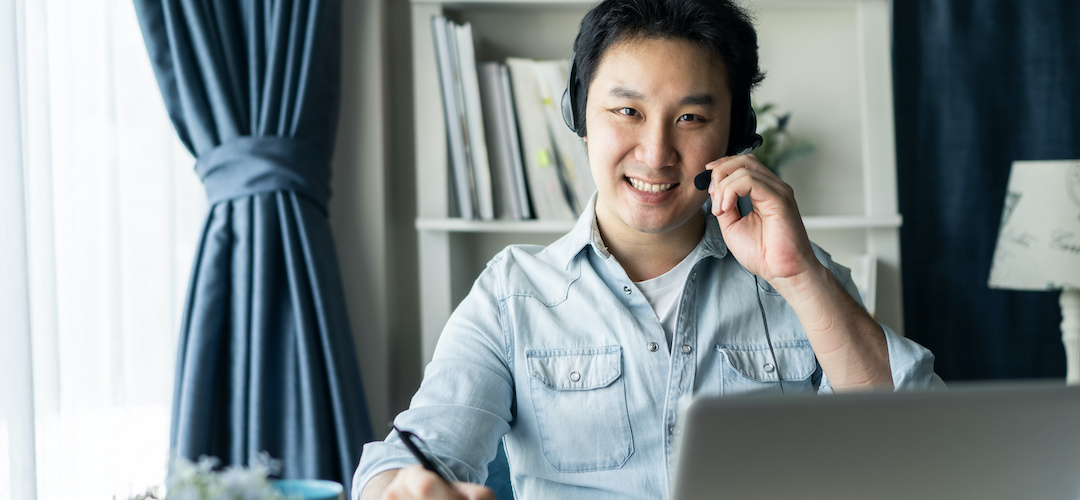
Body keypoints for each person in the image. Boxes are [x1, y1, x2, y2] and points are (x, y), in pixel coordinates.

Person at [354, 0, 942, 498]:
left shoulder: (803, 279)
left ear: (735, 136)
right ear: (579, 113)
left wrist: (797, 273)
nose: (656, 153)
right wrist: (402, 487)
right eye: (627, 111)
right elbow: (415, 455)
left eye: (690, 117)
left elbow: (919, 445)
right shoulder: (512, 294)